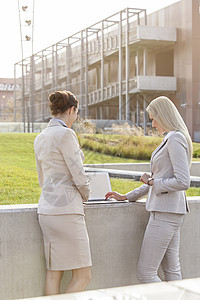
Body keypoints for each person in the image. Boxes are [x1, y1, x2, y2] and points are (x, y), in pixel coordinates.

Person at [105, 96, 192, 283]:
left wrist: (153, 183)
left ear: (164, 115)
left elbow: (183, 181)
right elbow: (156, 179)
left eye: (153, 118)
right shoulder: (172, 137)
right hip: (170, 211)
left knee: (146, 273)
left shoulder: (175, 138)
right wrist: (126, 196)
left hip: (165, 212)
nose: (152, 124)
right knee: (171, 270)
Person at [34, 90, 92, 295]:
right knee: (83, 275)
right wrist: (86, 194)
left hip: (46, 210)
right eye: (76, 113)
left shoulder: (40, 137)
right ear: (72, 109)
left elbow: (42, 179)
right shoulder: (66, 134)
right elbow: (78, 173)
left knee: (53, 272)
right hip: (67, 211)